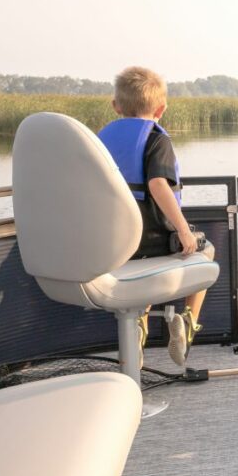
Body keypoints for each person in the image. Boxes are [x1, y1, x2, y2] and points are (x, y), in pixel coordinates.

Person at [96, 66, 215, 367]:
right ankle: (188, 323)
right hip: (152, 241)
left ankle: (138, 327)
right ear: (160, 109)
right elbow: (158, 185)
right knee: (207, 251)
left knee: (140, 270)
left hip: (112, 242)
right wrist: (184, 231)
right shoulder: (156, 140)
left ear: (116, 106)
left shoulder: (99, 140)